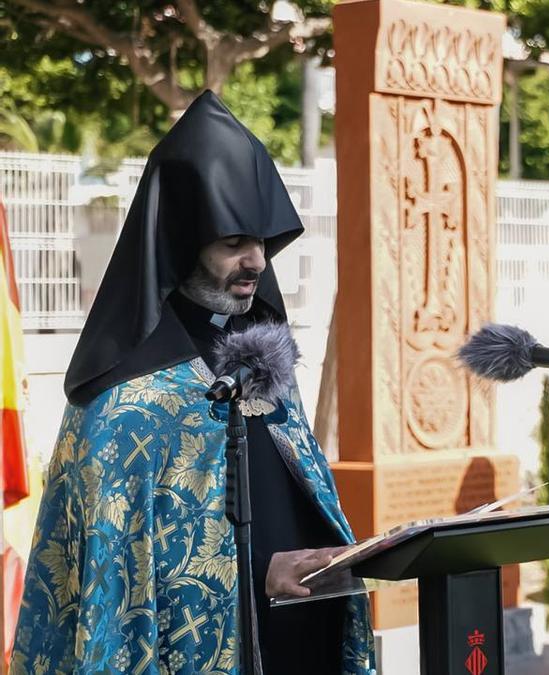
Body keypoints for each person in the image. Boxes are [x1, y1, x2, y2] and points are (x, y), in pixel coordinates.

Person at [11, 92, 373, 673]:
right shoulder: (122, 402)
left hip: (303, 643)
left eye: (261, 242)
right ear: (181, 243)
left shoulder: (265, 365)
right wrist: (259, 575)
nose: (257, 262)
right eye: (234, 244)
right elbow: (119, 589)